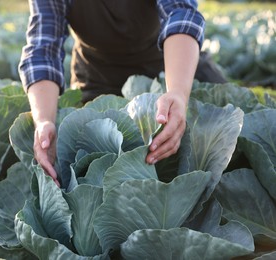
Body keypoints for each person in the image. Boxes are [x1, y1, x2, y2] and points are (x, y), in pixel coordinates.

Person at [18, 0, 226, 187]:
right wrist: (44, 120)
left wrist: (179, 93)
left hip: (171, 63)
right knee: (92, 159)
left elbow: (182, 13)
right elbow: (42, 48)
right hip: (97, 77)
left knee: (221, 134)